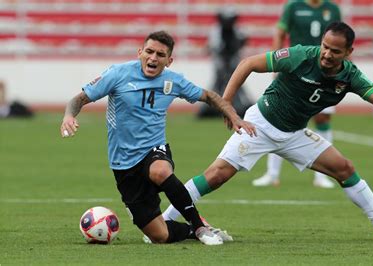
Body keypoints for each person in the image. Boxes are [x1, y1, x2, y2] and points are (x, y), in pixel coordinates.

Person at [163, 22, 373, 240]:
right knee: (216, 175)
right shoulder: (300, 56)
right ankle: (165, 221)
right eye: (325, 47)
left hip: (295, 134)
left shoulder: (350, 76)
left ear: (348, 53)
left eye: (335, 51)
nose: (327, 54)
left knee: (344, 168)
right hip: (259, 125)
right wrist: (227, 106)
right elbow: (248, 64)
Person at [60, 31, 255, 245]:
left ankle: (199, 227)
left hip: (154, 149)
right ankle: (193, 230)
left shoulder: (173, 81)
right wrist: (69, 116)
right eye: (149, 52)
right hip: (123, 163)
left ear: (169, 61)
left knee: (160, 170)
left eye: (160, 55)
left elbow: (209, 96)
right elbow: (79, 99)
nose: (153, 58)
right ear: (140, 52)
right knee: (158, 236)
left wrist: (235, 116)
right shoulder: (117, 74)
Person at [252, 0, 341, 188]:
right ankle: (272, 173)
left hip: (324, 71)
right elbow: (280, 32)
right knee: (280, 117)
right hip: (296, 68)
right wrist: (277, 61)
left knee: (323, 118)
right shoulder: (293, 6)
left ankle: (321, 176)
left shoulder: (332, 9)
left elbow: (342, 39)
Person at [198, 8, 253, 118]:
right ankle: (212, 107)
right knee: (219, 84)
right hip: (220, 62)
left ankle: (239, 106)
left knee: (236, 84)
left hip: (233, 61)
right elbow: (213, 47)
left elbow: (242, 42)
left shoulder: (236, 30)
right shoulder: (217, 31)